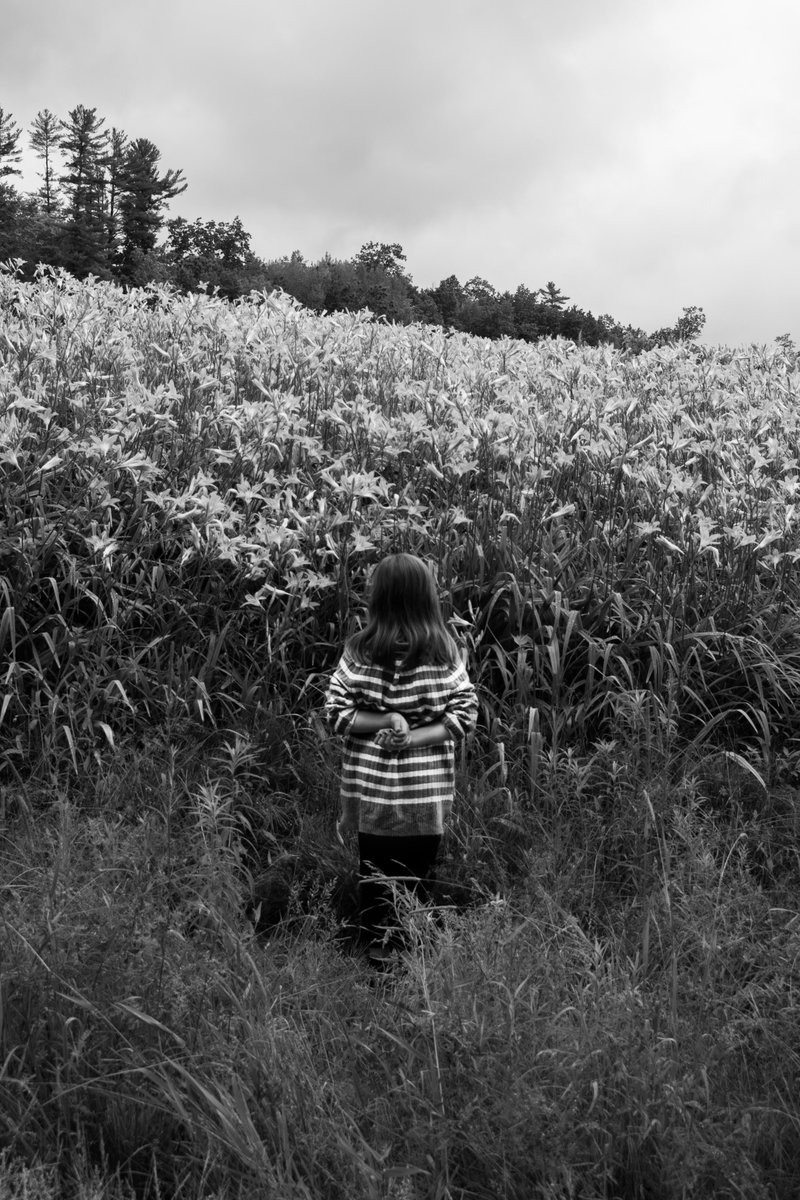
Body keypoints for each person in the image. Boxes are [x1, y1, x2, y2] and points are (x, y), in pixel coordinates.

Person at [324, 553, 477, 967]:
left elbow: (336, 713)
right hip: (425, 800)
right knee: (416, 881)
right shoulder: (445, 652)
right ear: (427, 597)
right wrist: (411, 734)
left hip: (373, 797)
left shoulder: (360, 651)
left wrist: (386, 721)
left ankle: (377, 960)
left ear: (380, 599)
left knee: (375, 881)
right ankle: (413, 960)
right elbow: (465, 715)